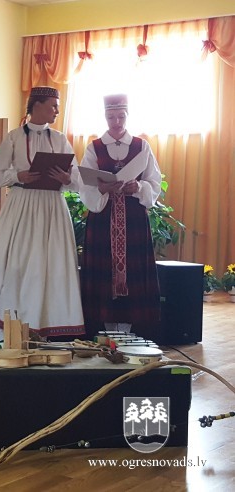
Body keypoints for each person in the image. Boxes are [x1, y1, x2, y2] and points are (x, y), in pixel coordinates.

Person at [0, 86, 84, 341]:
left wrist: (66, 178)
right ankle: (15, 329)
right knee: (20, 264)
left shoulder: (60, 139)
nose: (57, 111)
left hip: (53, 206)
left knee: (54, 264)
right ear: (37, 105)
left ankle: (51, 328)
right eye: (53, 105)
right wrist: (18, 175)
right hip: (23, 205)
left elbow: (76, 177)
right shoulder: (14, 137)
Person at [79, 94, 161, 340]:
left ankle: (130, 333)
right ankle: (104, 330)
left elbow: (154, 181)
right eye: (111, 117)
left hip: (133, 218)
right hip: (103, 218)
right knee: (103, 271)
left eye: (121, 117)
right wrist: (103, 188)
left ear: (127, 116)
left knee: (134, 272)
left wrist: (138, 188)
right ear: (105, 117)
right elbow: (85, 184)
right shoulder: (94, 148)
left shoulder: (141, 146)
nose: (116, 122)